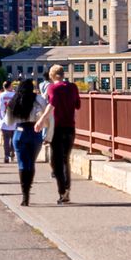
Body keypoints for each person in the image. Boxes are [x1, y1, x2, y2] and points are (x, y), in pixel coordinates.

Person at [39, 65, 81, 204]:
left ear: (51, 76)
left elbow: (51, 106)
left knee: (55, 161)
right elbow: (77, 105)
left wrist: (40, 120)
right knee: (65, 159)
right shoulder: (73, 87)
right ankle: (67, 190)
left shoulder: (53, 88)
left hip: (57, 128)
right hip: (70, 127)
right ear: (63, 74)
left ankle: (62, 192)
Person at [8, 79, 46, 206]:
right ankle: (28, 187)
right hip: (35, 132)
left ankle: (25, 195)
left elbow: (9, 122)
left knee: (22, 163)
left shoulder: (14, 101)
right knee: (31, 162)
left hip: (19, 132)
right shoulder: (38, 99)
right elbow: (47, 115)